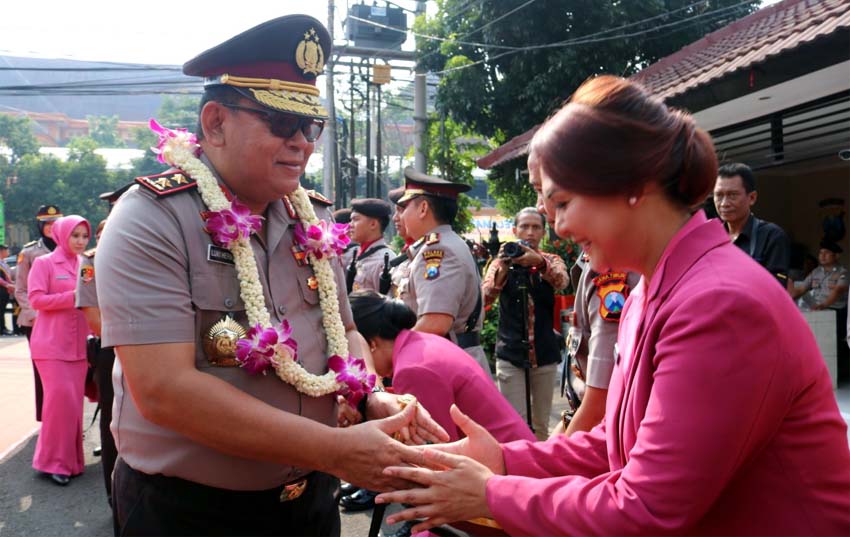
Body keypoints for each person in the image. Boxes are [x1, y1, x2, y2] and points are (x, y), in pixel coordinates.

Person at [375, 75, 850, 535]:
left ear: (633, 184)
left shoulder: (718, 303)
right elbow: (621, 444)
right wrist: (504, 460)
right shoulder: (655, 287)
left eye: (561, 204)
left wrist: (494, 493)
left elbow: (647, 507)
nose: (557, 229)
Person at [95, 16, 446, 536]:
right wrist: (336, 449)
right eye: (281, 122)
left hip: (311, 502)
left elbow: (345, 331)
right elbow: (163, 389)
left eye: (311, 126)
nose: (302, 143)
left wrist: (371, 396)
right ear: (214, 123)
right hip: (193, 513)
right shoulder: (152, 217)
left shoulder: (316, 217)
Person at [481, 207, 568, 440]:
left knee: (541, 425)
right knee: (514, 424)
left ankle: (540, 471)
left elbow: (562, 281)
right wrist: (504, 266)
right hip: (510, 353)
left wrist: (539, 262)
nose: (530, 232)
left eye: (536, 227)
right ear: (514, 230)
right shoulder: (500, 263)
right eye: (524, 226)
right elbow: (486, 297)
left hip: (544, 353)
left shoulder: (551, 260)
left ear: (543, 232)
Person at [397, 167, 490, 376]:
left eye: (405, 207)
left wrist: (396, 354)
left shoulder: (438, 250)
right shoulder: (445, 243)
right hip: (454, 358)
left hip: (450, 365)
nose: (401, 215)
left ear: (422, 208)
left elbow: (435, 322)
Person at [75, 185, 132, 507]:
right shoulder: (91, 261)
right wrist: (128, 343)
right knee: (116, 423)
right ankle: (116, 498)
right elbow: (92, 313)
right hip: (116, 349)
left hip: (157, 347)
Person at [28, 215, 91, 486]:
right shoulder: (44, 263)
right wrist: (74, 297)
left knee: (73, 407)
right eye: (74, 235)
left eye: (84, 236)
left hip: (78, 348)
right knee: (60, 404)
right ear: (62, 236)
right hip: (51, 347)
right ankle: (54, 462)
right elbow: (36, 299)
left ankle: (70, 462)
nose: (80, 241)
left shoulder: (86, 265)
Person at [16, 204, 63, 421]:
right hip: (37, 321)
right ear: (40, 226)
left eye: (56, 223)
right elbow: (21, 289)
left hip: (64, 319)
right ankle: (46, 417)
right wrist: (37, 314)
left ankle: (66, 416)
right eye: (47, 224)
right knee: (42, 371)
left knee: (68, 371)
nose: (52, 228)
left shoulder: (70, 247)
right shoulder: (29, 252)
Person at [714, 162, 790, 286]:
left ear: (752, 198)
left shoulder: (771, 236)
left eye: (732, 195)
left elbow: (776, 289)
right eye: (719, 195)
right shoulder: (712, 239)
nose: (724, 203)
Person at [789, 240, 849, 379]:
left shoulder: (843, 273)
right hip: (819, 312)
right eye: (821, 253)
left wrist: (823, 305)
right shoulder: (816, 272)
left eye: (826, 253)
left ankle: (839, 375)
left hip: (837, 312)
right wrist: (788, 294)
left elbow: (838, 292)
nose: (822, 256)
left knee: (838, 346)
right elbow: (802, 289)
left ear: (836, 256)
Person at [347, 198, 395, 294]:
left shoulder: (384, 260)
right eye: (351, 220)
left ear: (373, 224)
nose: (350, 225)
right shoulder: (357, 255)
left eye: (355, 220)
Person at [0, 244, 15, 335]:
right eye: (7, 250)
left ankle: (3, 327)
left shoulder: (3, 263)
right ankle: (1, 329)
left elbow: (7, 277)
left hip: (4, 290)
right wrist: (7, 285)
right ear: (1, 251)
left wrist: (12, 284)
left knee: (2, 310)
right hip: (1, 290)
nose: (8, 252)